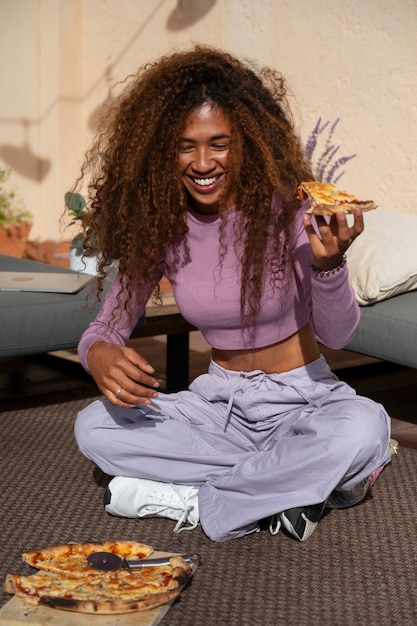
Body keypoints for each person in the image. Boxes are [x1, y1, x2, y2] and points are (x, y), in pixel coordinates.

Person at [74, 45, 391, 543]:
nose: (203, 162)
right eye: (185, 146)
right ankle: (299, 483)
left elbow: (336, 333)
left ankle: (197, 500)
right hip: (217, 406)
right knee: (95, 427)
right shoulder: (159, 226)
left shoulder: (289, 209)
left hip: (304, 399)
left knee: (363, 424)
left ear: (246, 139)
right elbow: (107, 327)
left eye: (218, 143)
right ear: (163, 150)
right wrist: (97, 353)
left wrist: (330, 266)